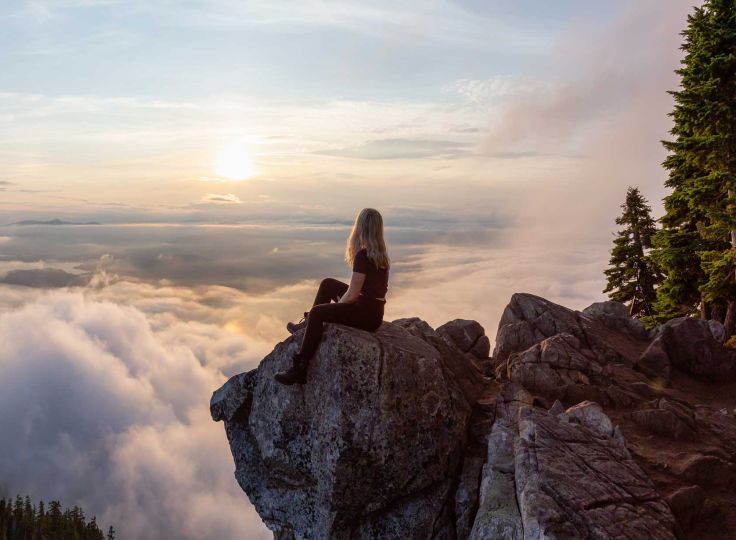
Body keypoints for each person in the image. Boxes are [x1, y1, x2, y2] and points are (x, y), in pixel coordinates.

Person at [274, 208, 390, 385]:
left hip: (364, 314)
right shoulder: (380, 255)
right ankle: (306, 326)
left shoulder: (363, 256)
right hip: (374, 313)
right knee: (328, 284)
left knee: (318, 313)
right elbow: (362, 291)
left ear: (361, 227)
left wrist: (336, 309)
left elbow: (351, 295)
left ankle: (300, 368)